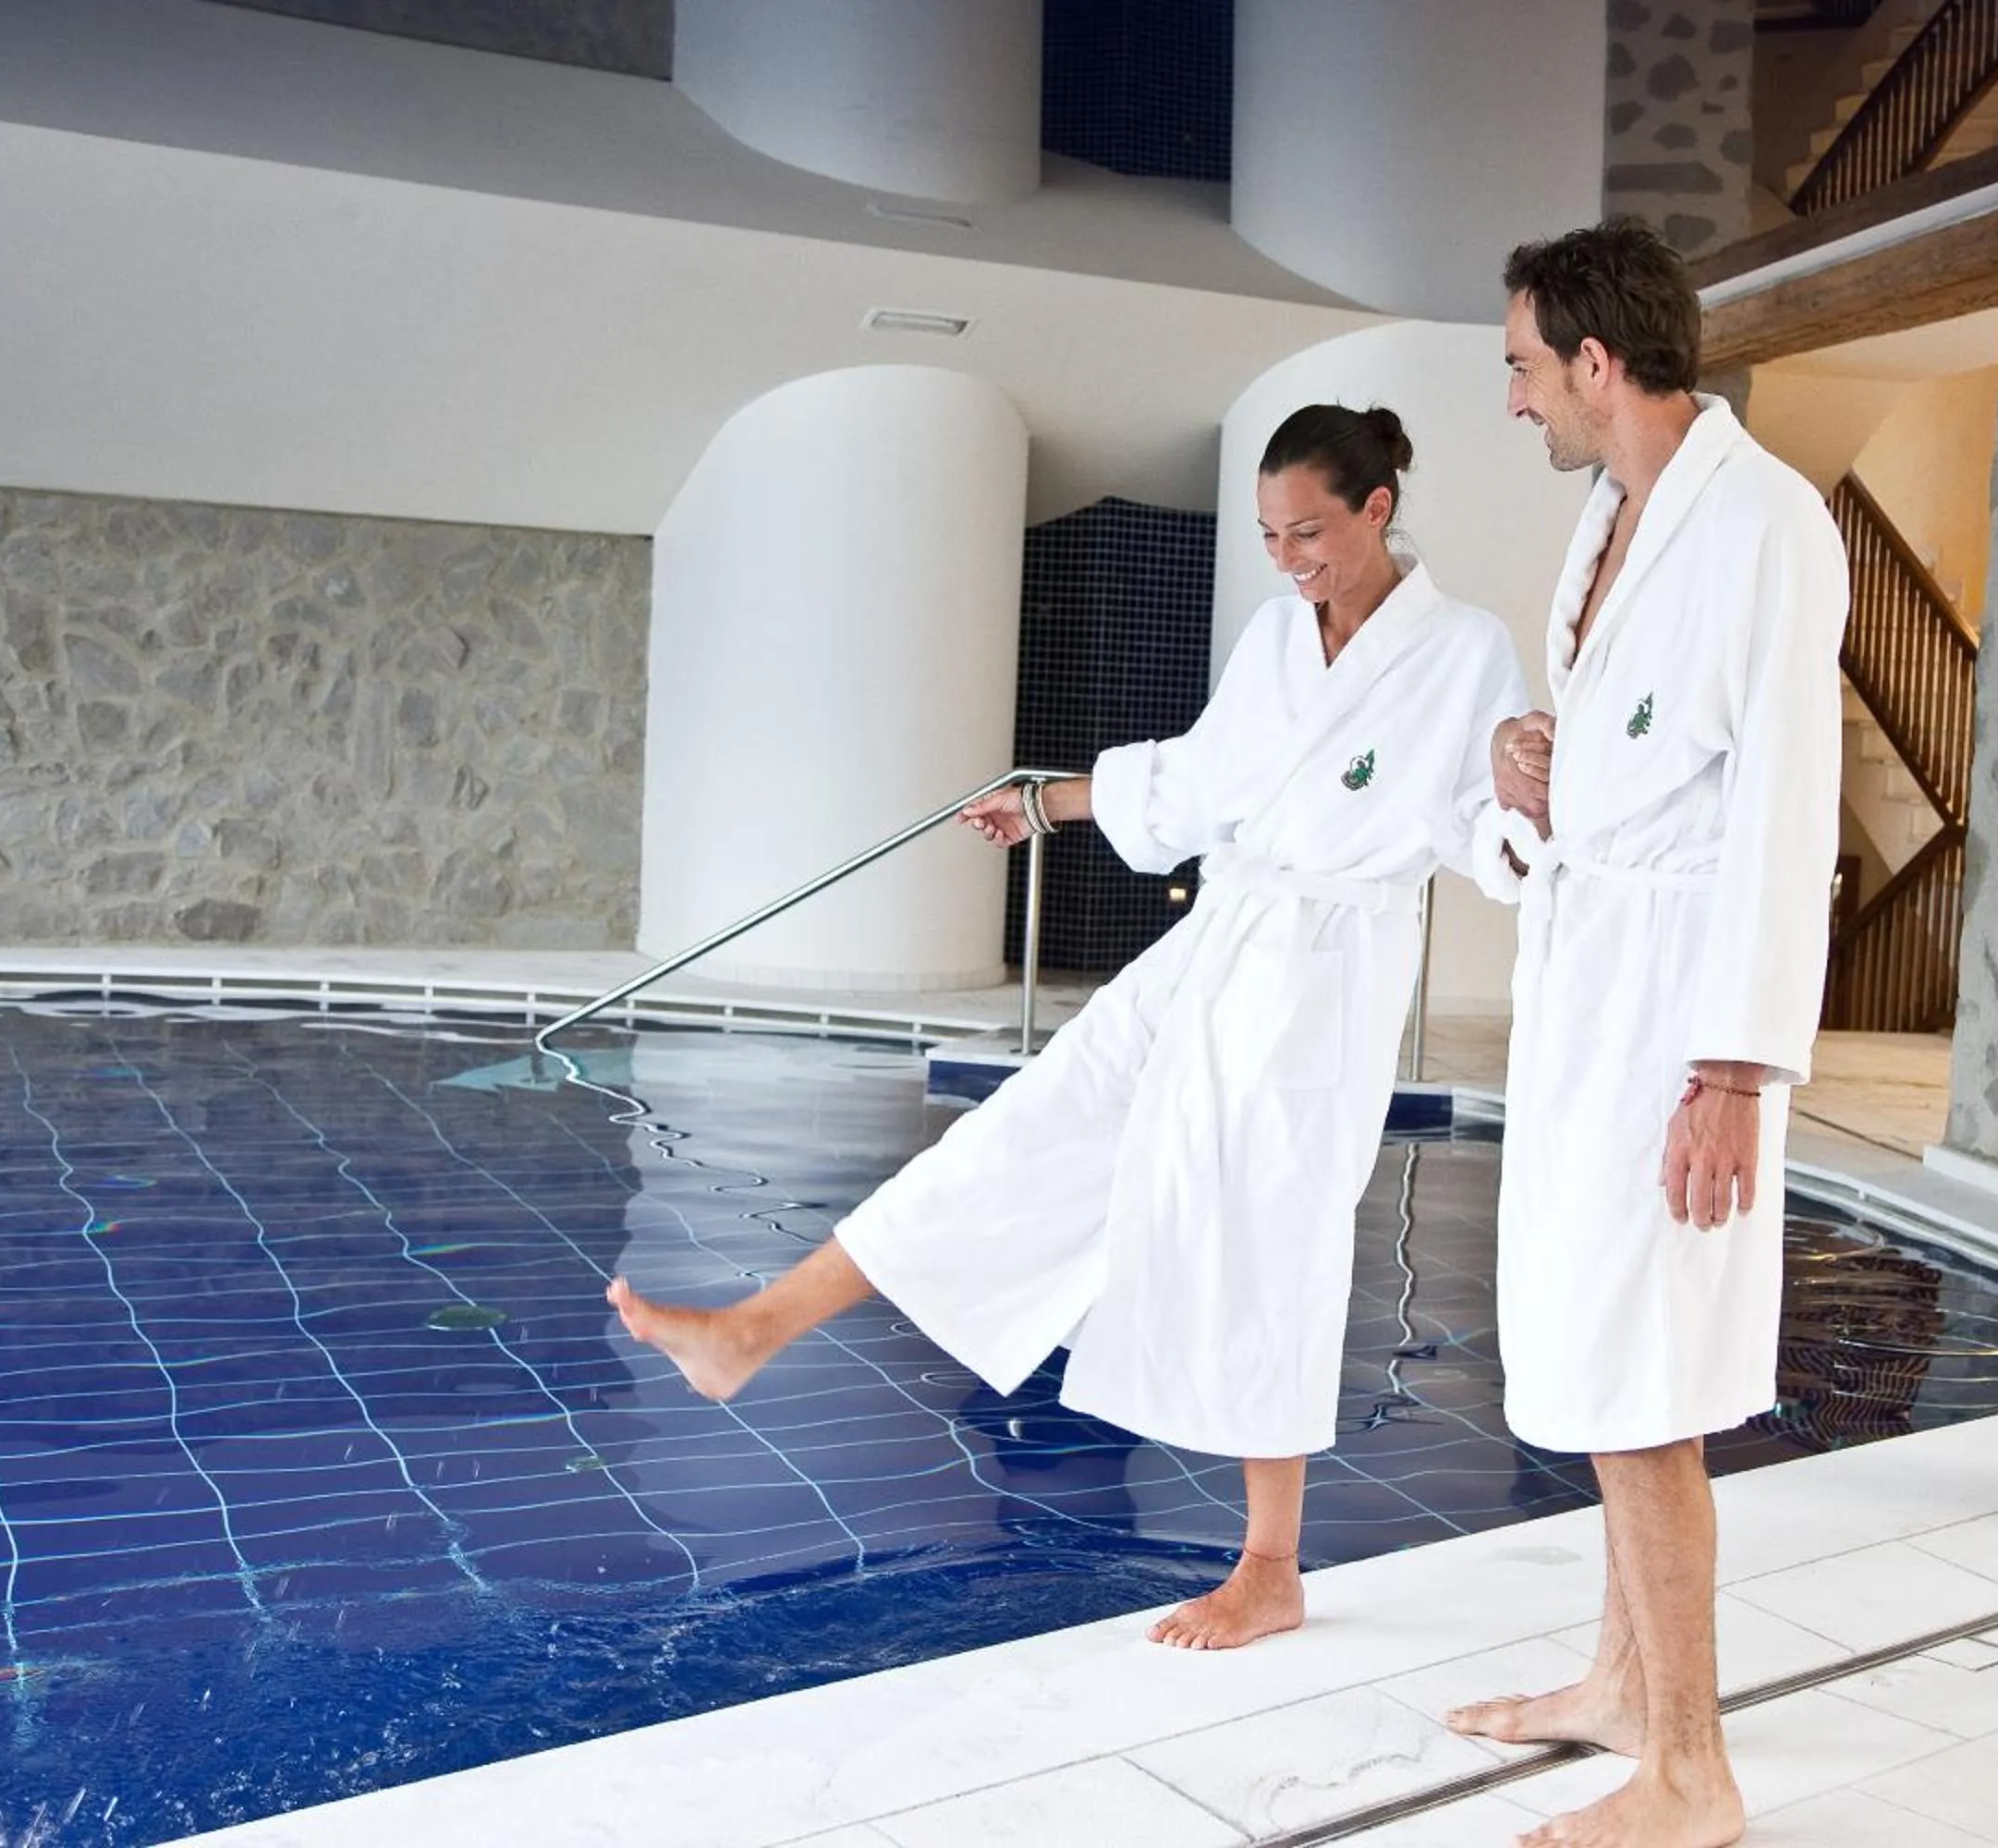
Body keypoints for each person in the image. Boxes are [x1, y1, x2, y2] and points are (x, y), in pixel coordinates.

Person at [609, 405, 1530, 1652]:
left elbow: (1489, 825)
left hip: (1325, 985)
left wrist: (1528, 798)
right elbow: (1200, 782)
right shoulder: (1274, 638)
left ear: (1377, 510)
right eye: (1269, 534)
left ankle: (1270, 1566)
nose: (1289, 556)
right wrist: (1048, 802)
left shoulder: (1465, 650)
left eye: (1309, 530)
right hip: (1218, 948)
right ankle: (752, 1328)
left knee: (1271, 1243)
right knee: (1021, 1134)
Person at [1446, 222, 1849, 1847]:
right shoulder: (1616, 516)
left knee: (1647, 1385)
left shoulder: (1767, 526)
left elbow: (1780, 812)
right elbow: (1629, 769)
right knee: (1596, 1349)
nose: (1518, 403)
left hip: (1679, 1015)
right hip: (1590, 989)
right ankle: (1623, 1683)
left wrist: (1735, 1071)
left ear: (1597, 366)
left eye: (1526, 371)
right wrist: (1531, 771)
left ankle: (1693, 1770)